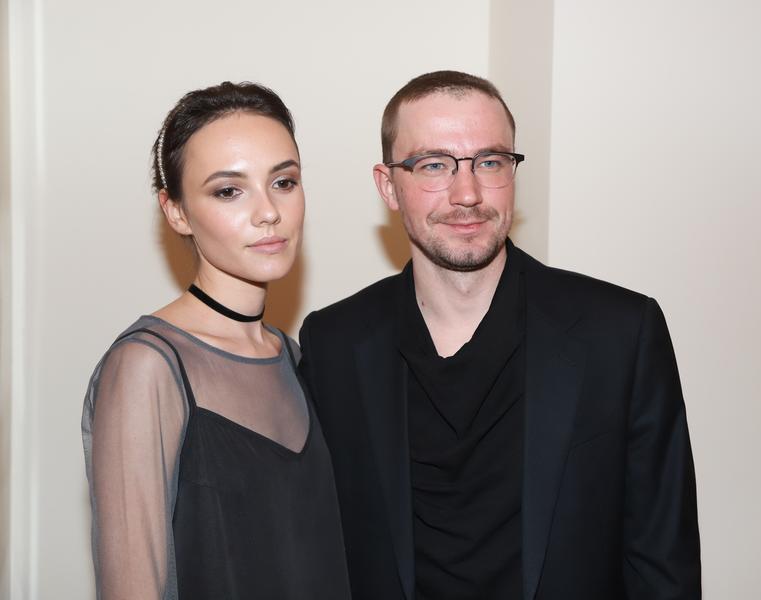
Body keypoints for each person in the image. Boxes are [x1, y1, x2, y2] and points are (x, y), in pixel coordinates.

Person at [298, 70, 701, 600]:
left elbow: (663, 564)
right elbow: (314, 551)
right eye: (434, 164)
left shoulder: (621, 333)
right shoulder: (333, 343)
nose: (467, 193)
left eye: (489, 162)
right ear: (388, 186)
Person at [82, 82, 350, 600]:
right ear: (176, 212)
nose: (268, 212)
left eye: (284, 182)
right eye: (229, 191)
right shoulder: (147, 366)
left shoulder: (296, 358)